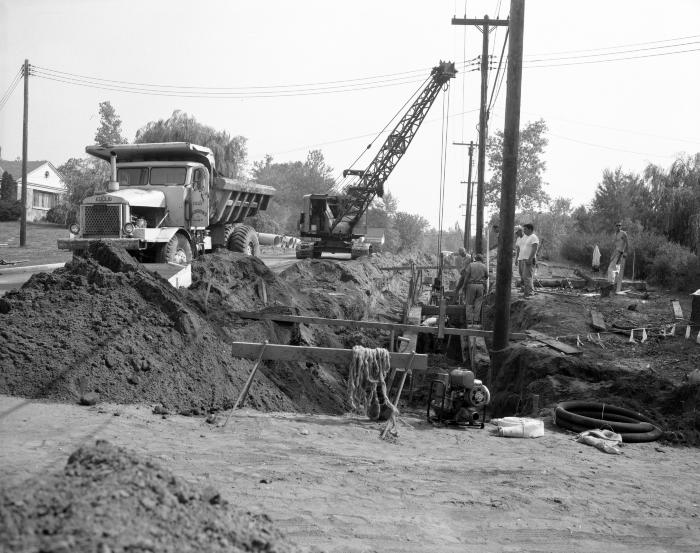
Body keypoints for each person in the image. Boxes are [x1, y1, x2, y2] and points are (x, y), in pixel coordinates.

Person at [462, 253, 489, 321]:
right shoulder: (484, 266)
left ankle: (469, 320)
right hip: (480, 286)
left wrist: (464, 286)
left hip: (471, 285)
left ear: (475, 259)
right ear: (481, 259)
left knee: (469, 303)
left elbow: (467, 276)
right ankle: (476, 320)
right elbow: (486, 276)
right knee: (478, 303)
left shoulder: (471, 265)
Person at [518, 223, 539, 298]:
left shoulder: (533, 237)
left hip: (529, 259)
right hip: (525, 259)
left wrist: (530, 259)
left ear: (530, 229)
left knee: (527, 277)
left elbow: (534, 248)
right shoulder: (527, 237)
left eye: (525, 229)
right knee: (525, 276)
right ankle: (527, 292)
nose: (524, 231)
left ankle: (529, 293)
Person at [607, 221, 629, 293]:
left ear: (621, 226)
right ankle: (615, 285)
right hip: (615, 252)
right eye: (617, 225)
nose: (618, 227)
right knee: (616, 268)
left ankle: (611, 283)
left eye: (619, 225)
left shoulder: (623, 233)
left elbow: (627, 243)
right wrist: (612, 255)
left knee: (611, 268)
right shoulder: (615, 234)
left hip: (620, 252)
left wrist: (625, 252)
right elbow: (615, 245)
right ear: (615, 226)